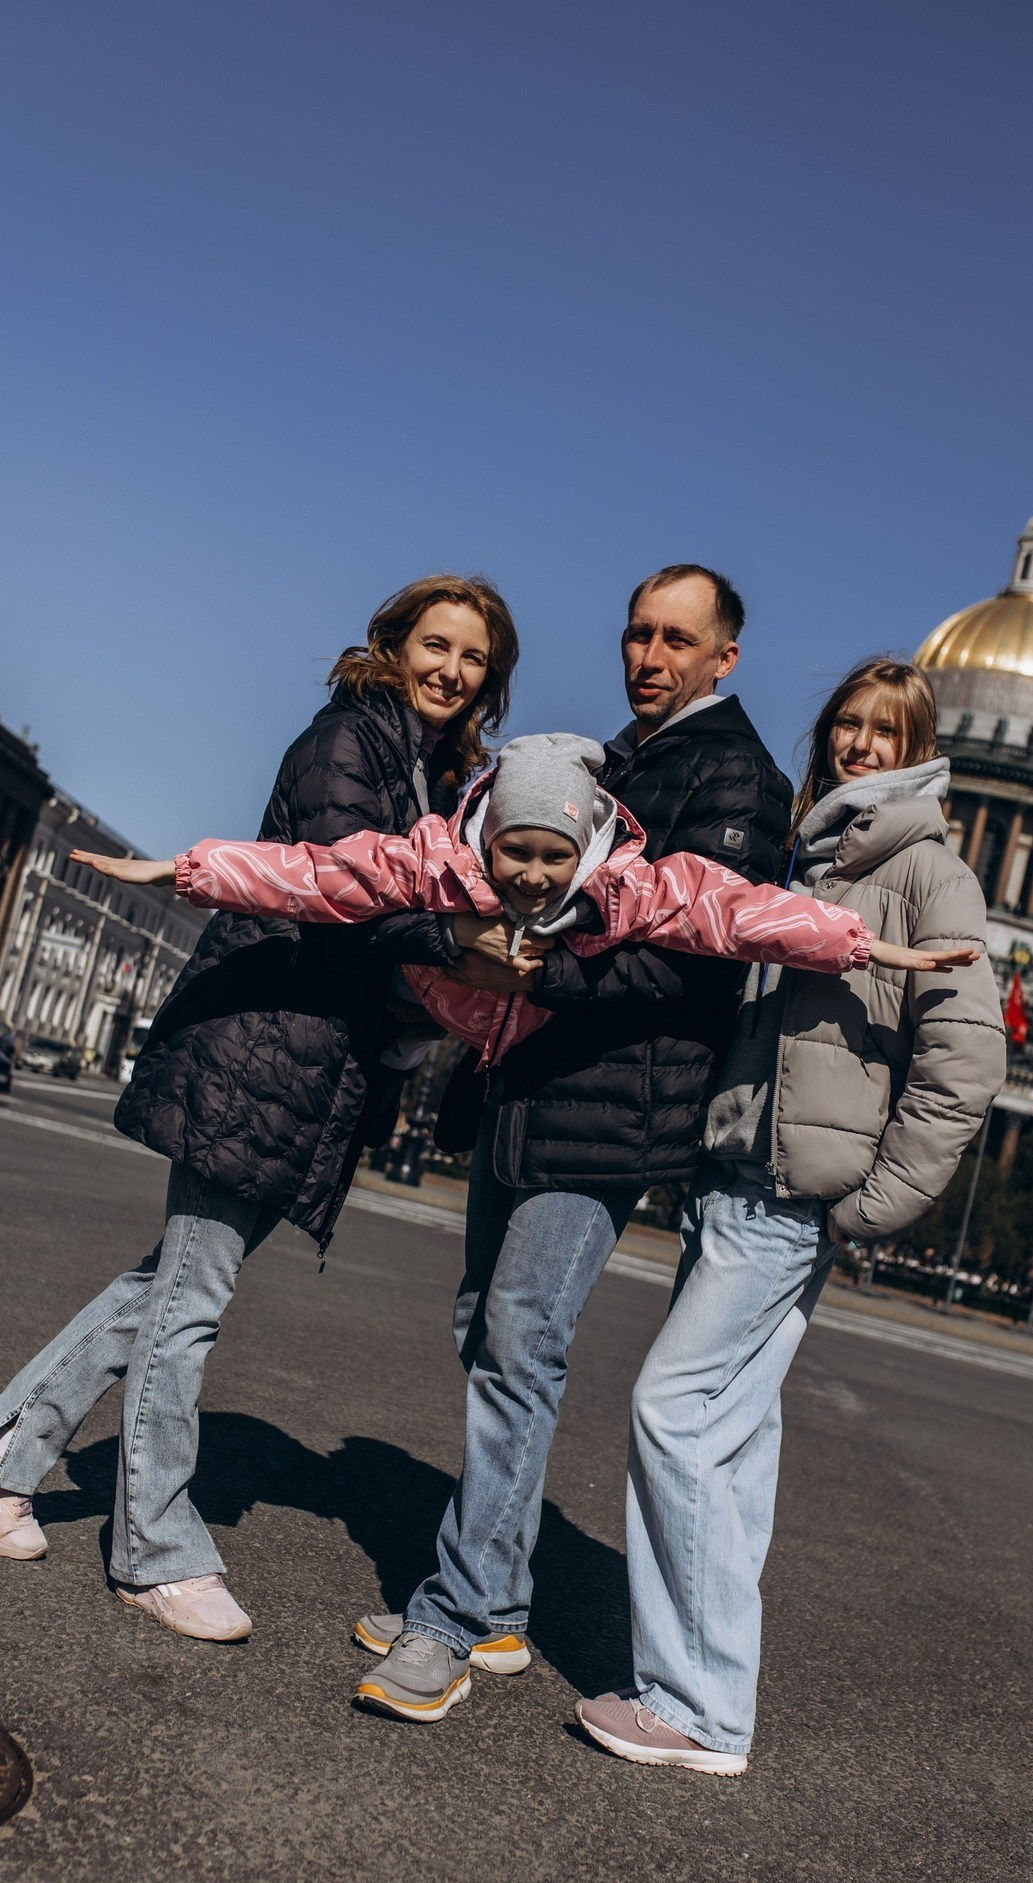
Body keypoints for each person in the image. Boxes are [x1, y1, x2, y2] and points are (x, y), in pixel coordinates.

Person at [0, 574, 518, 1643]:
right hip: (257, 1040)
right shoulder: (350, 743)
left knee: (167, 1282)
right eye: (435, 645)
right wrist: (466, 951)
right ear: (391, 645)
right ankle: (152, 1548)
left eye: (473, 658)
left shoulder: (426, 775)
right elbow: (352, 895)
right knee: (188, 1300)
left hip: (300, 1055)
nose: (451, 669)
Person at [353, 564, 797, 1718]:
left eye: (674, 639)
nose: (646, 655)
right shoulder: (624, 758)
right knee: (481, 1331)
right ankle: (494, 1600)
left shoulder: (736, 775)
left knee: (518, 1344)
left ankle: (449, 1623)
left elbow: (699, 955)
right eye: (636, 633)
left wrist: (539, 970)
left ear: (722, 658)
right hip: (533, 1083)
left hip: (613, 1107)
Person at [575, 657, 1007, 1774]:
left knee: (671, 1413)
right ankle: (706, 1701)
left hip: (785, 1196)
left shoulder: (925, 874)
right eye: (846, 726)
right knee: (727, 1448)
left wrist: (871, 1200)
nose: (857, 746)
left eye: (884, 731)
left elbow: (964, 1063)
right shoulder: (808, 857)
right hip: (731, 1175)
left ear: (919, 752)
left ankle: (698, 1706)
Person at [76, 732, 972, 1053]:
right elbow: (317, 874)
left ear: (584, 846)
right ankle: (407, 1032)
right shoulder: (437, 860)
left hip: (524, 1036)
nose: (532, 877)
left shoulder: (634, 887)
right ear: (486, 835)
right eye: (515, 854)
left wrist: (867, 945)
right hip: (449, 1010)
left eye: (553, 857)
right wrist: (183, 869)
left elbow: (741, 914)